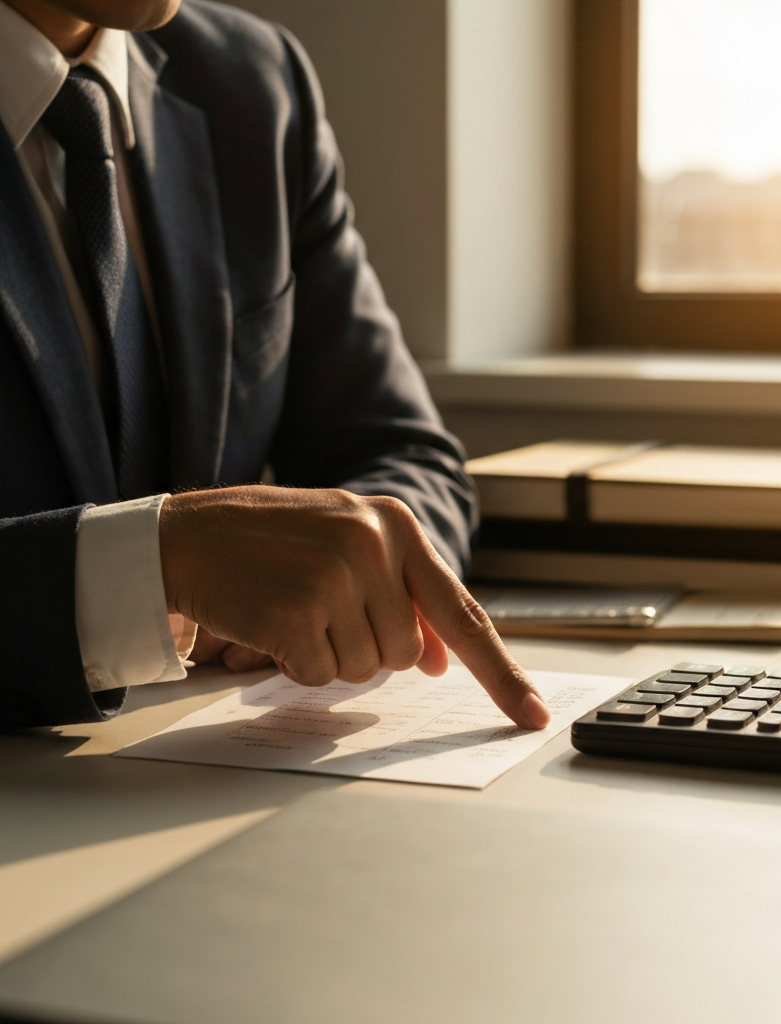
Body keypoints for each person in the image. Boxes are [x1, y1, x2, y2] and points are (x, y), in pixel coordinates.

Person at [0, 0, 550, 731]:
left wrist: (347, 575)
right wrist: (157, 567)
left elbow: (401, 452)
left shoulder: (252, 80)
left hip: (215, 766)